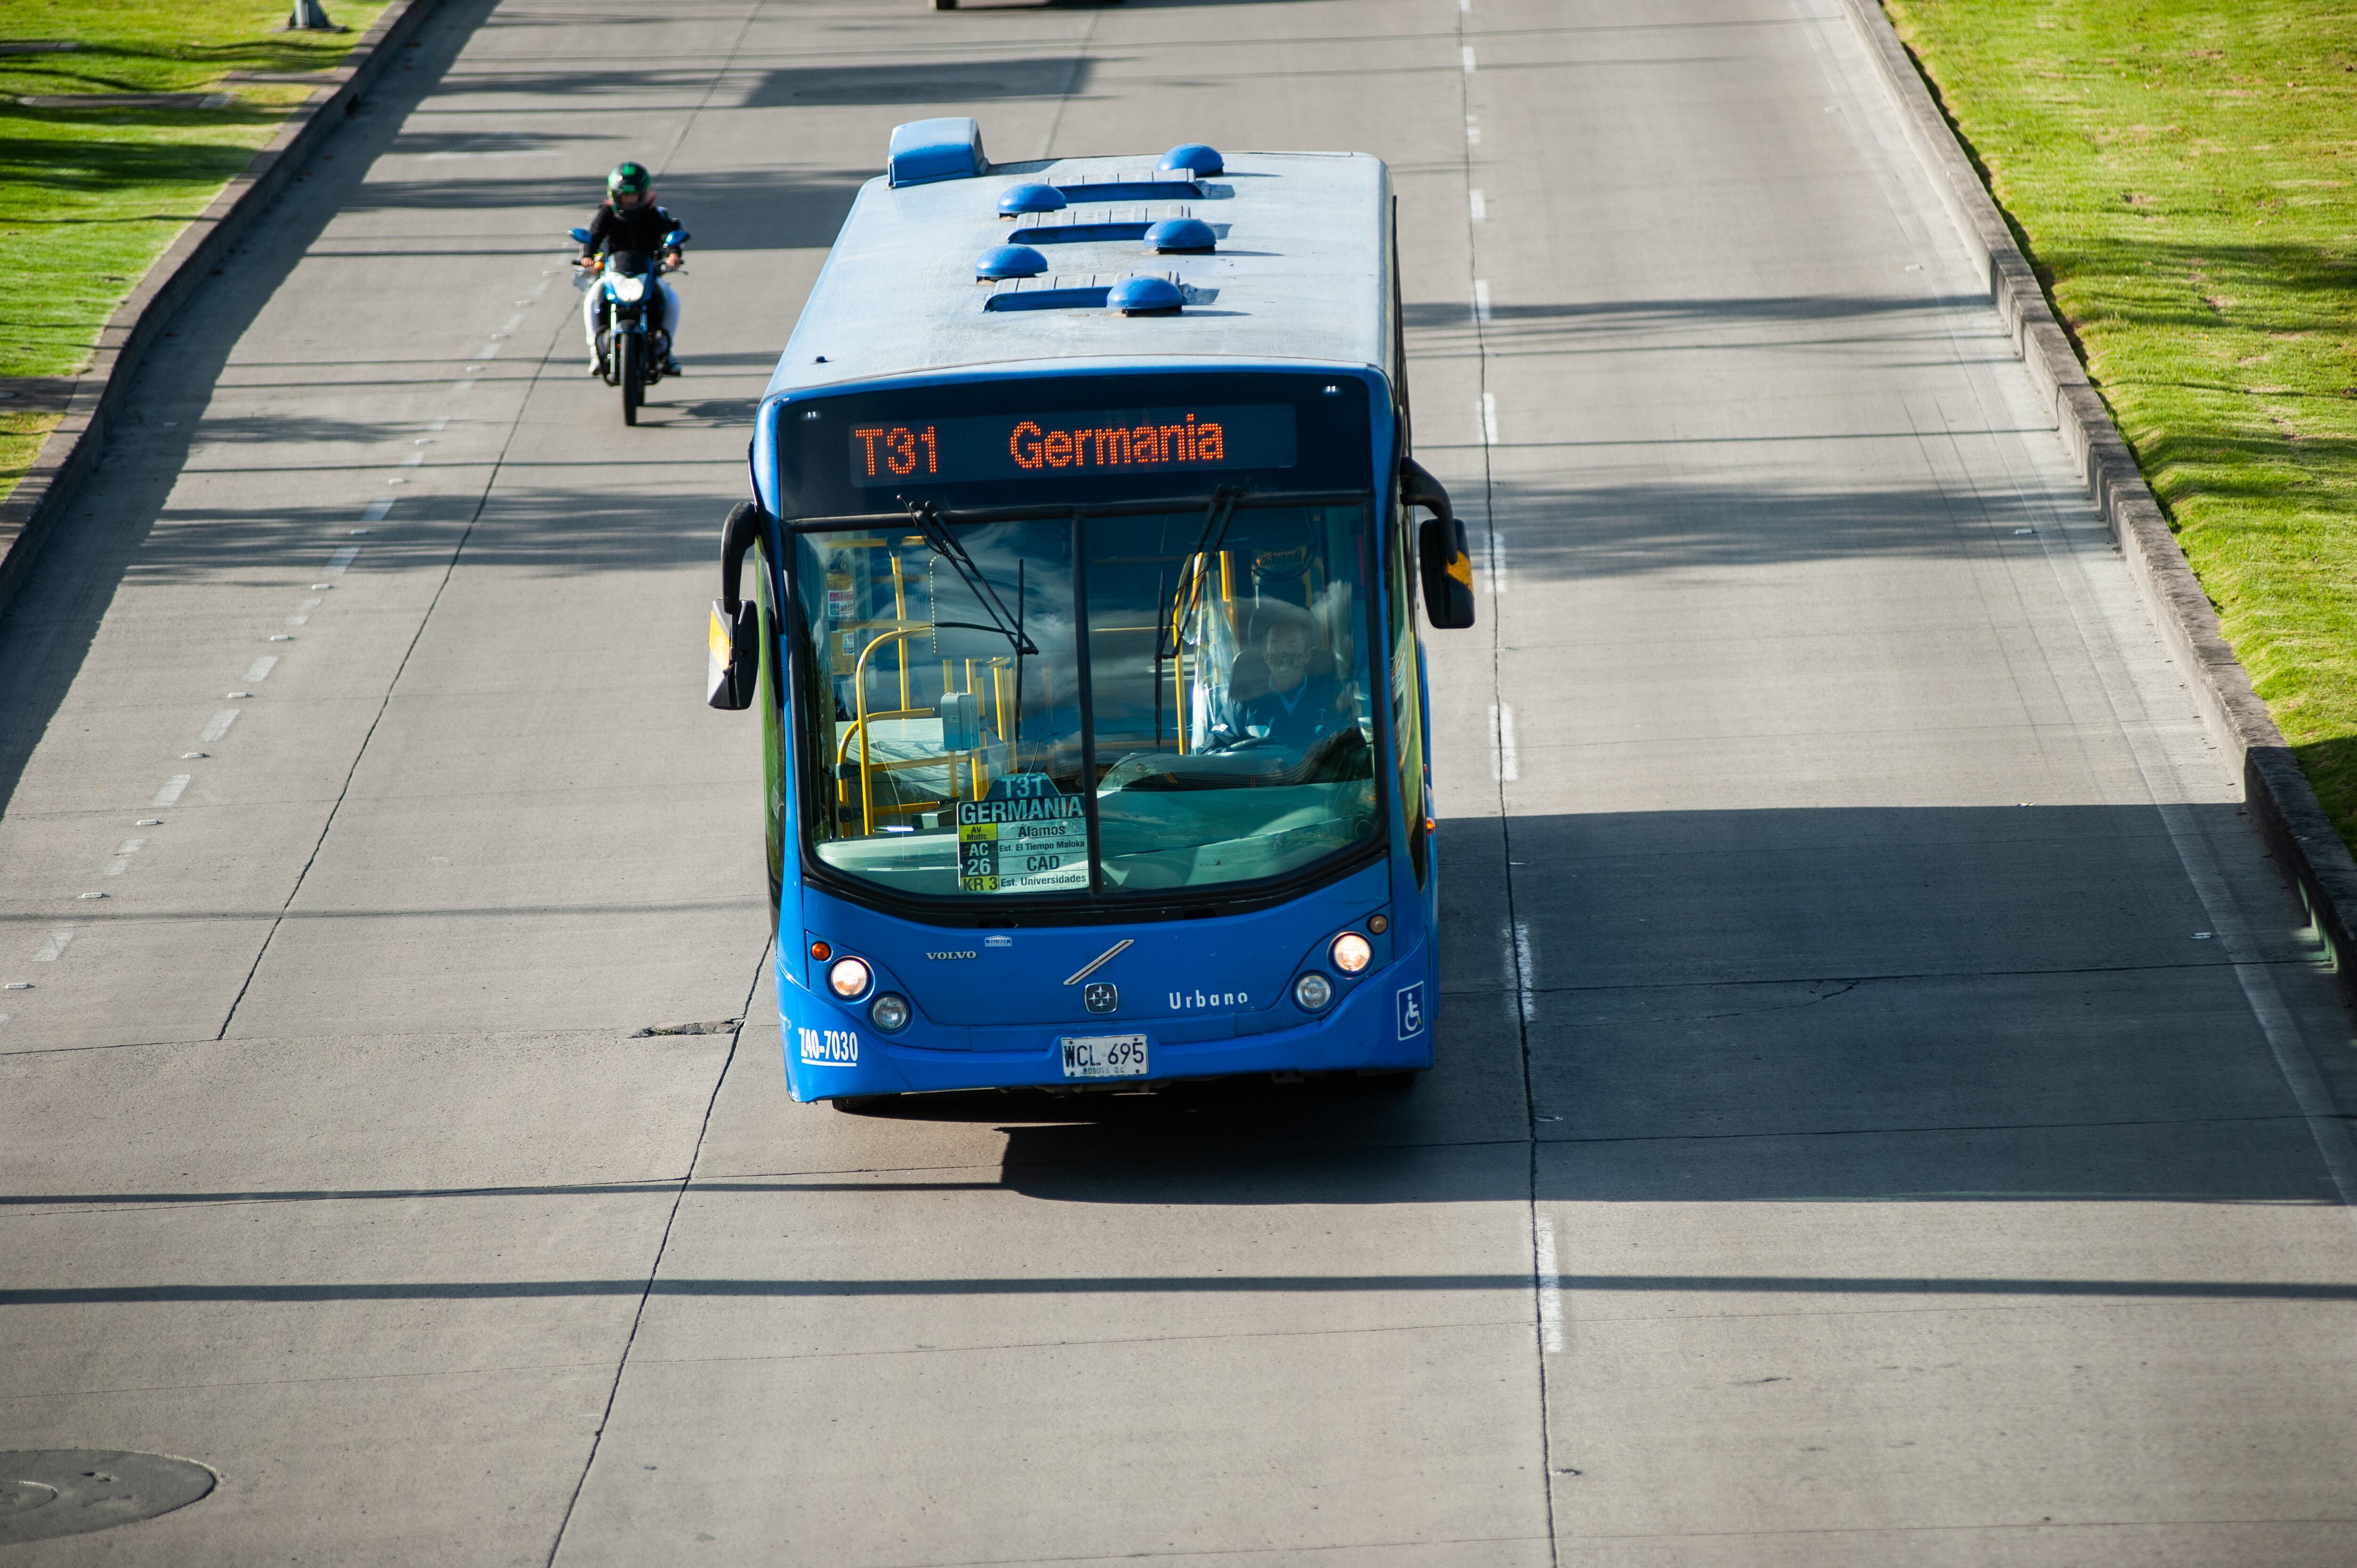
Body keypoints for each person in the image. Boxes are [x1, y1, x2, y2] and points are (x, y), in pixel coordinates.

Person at [578, 161, 685, 376]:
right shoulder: (607, 214)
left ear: (643, 195)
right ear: (615, 195)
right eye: (625, 196)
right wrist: (587, 256)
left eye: (634, 195)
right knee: (591, 300)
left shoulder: (653, 215)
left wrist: (673, 253)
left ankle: (666, 349)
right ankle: (595, 351)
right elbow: (594, 237)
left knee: (672, 301)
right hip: (614, 272)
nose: (629, 200)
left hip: (647, 272)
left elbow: (667, 236)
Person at [1231, 618, 1353, 751]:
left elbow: (1353, 750)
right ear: (1266, 656)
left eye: (1292, 645)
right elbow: (1214, 752)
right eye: (1276, 645)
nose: (1284, 653)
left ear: (1307, 655)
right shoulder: (1242, 702)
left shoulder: (1334, 700)